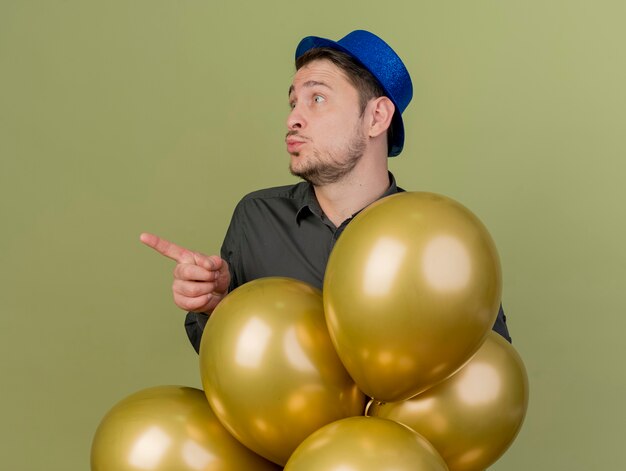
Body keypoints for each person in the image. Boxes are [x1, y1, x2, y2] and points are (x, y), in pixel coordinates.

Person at [141, 30, 511, 353]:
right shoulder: (256, 218)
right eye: (293, 102)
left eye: (317, 98)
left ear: (377, 118)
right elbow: (224, 361)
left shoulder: (438, 239)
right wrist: (215, 305)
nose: (292, 119)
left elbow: (486, 368)